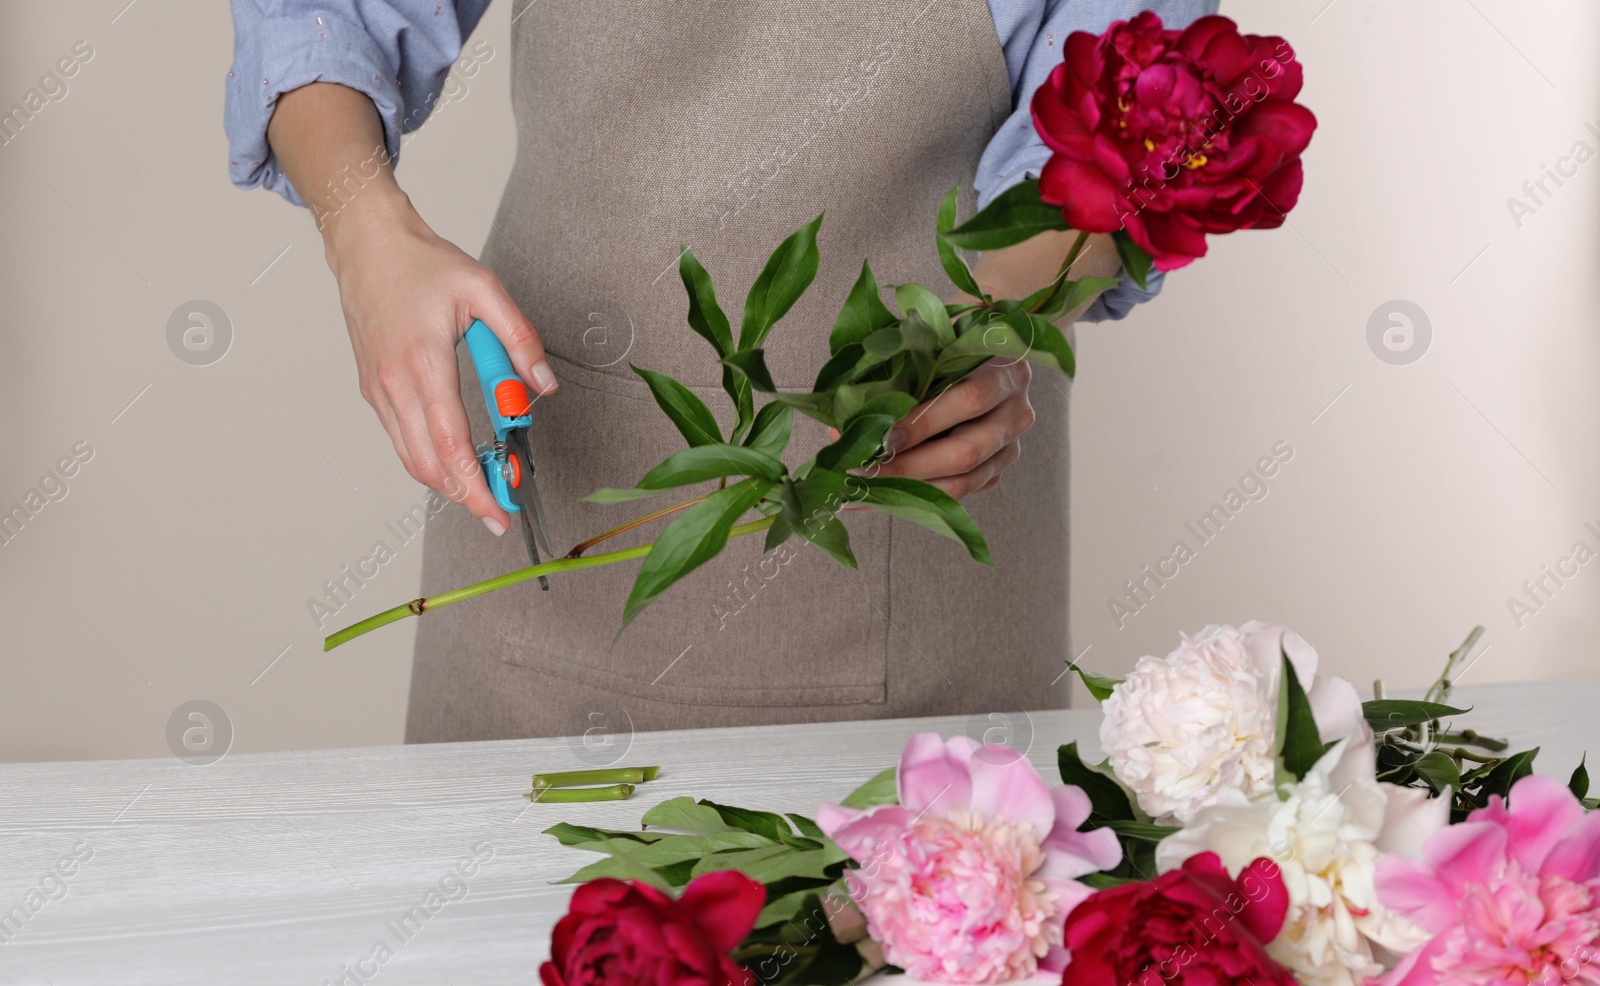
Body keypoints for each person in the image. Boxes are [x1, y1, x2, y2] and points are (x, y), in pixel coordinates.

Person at [226, 1, 1217, 742]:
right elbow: (321, 18)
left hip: (920, 569)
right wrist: (365, 233)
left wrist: (989, 330)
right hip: (547, 545)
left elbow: (1127, 140)